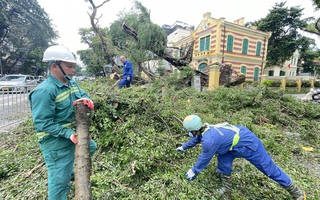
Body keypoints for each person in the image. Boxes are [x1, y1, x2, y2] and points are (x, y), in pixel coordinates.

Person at [176, 115, 306, 200]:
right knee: (223, 164)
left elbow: (204, 158)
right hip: (229, 146)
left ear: (194, 130)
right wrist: (183, 147)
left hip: (247, 143)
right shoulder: (203, 129)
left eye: (189, 131)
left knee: (268, 168)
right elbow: (196, 139)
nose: (190, 134)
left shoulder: (209, 140)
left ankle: (297, 192)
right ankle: (227, 188)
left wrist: (194, 170)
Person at [29, 45, 97, 200]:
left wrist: (87, 99)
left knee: (91, 147)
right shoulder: (44, 91)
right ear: (54, 66)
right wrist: (68, 134)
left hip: (69, 136)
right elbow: (42, 123)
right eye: (69, 67)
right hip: (54, 142)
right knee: (60, 183)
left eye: (74, 67)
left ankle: (71, 173)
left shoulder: (71, 83)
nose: (73, 70)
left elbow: (83, 94)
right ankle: (64, 178)